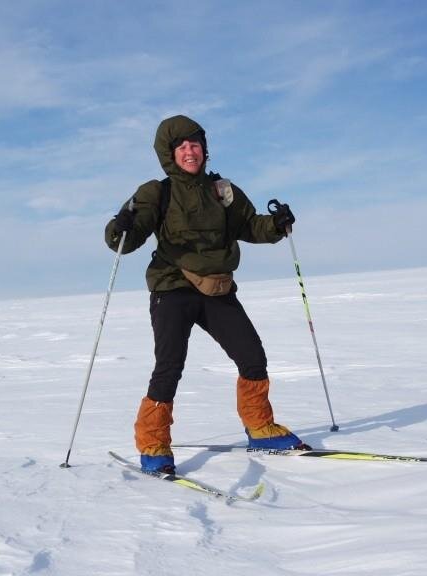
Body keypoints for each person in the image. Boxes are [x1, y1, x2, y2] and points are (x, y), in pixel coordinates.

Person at [104, 115, 309, 474]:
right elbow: (127, 237)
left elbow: (248, 225)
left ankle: (260, 428)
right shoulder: (157, 192)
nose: (189, 151)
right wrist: (119, 228)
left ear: (205, 148)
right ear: (168, 154)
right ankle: (153, 445)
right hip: (171, 288)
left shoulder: (222, 190)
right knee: (169, 367)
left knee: (251, 355)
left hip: (215, 286)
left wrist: (275, 225)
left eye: (195, 143)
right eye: (181, 146)